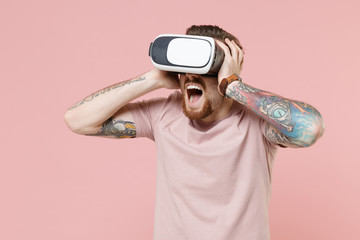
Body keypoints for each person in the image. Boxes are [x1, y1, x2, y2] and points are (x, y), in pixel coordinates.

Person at [64, 25, 324, 240]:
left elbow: (310, 128)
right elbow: (78, 121)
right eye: (186, 65)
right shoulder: (163, 113)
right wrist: (153, 79)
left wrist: (234, 87)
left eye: (206, 66)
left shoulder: (256, 121)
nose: (192, 75)